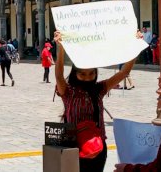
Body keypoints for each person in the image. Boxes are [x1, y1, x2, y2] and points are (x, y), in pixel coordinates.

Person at [54, 31, 139, 172]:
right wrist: (61, 47)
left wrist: (136, 47)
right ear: (75, 74)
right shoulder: (68, 92)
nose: (87, 77)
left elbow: (123, 73)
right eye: (82, 74)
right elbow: (58, 76)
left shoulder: (100, 89)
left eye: (91, 73)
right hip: (74, 147)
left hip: (97, 147)